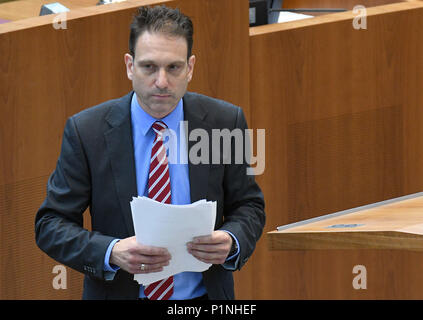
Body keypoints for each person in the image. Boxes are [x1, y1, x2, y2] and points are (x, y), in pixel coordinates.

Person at [35, 5, 265, 300]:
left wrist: (231, 240)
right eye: (149, 67)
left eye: (173, 67)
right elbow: (50, 224)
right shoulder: (87, 132)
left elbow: (249, 206)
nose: (161, 82)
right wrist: (111, 251)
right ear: (130, 66)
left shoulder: (224, 122)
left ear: (190, 67)